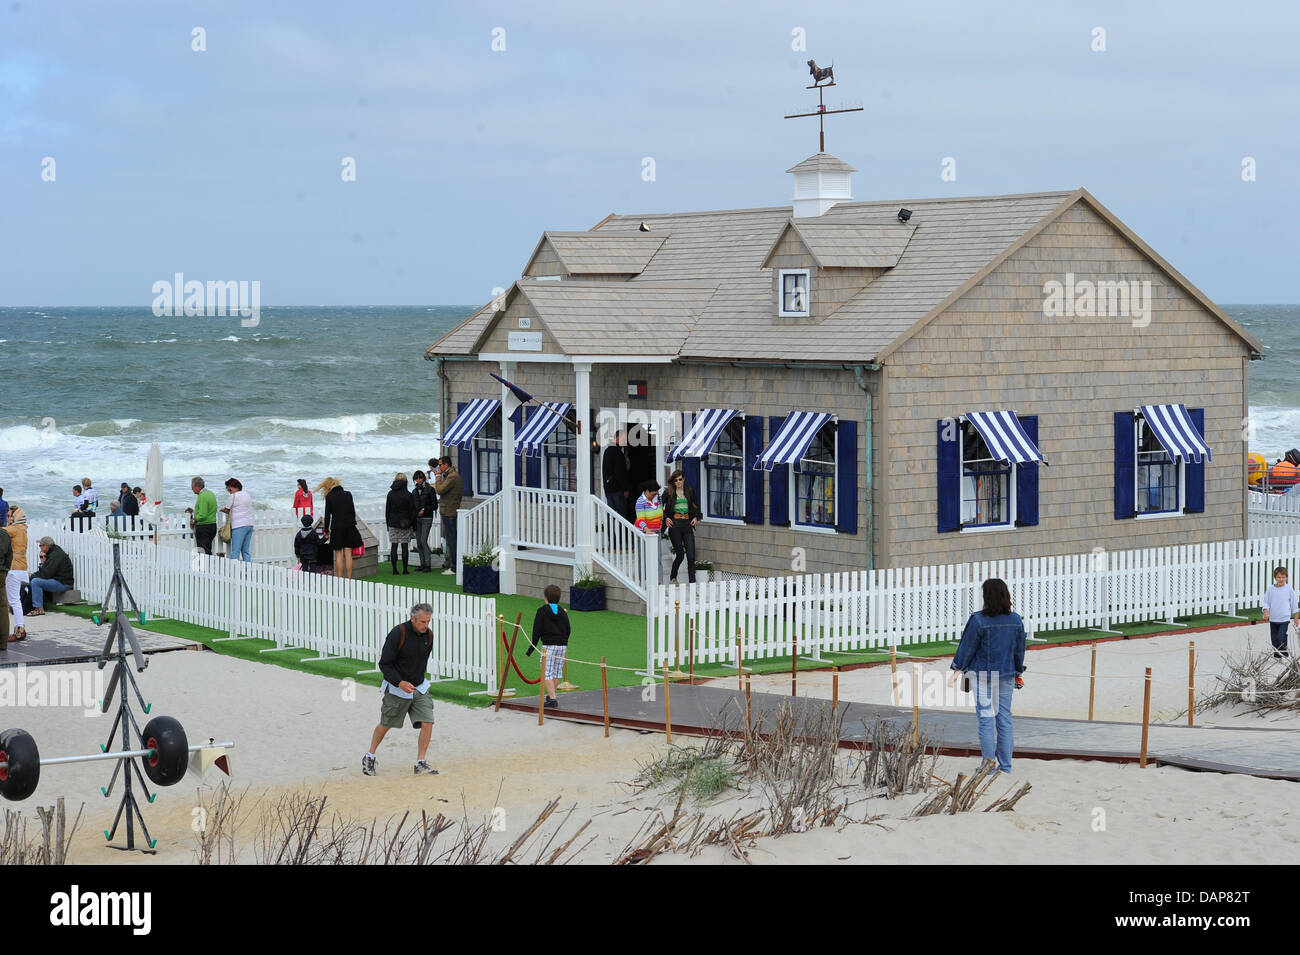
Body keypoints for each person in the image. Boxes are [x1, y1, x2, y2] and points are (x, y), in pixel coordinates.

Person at [948, 578, 1027, 775]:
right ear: (1005, 595)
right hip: (1007, 674)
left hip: (982, 674)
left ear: (986, 596)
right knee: (1004, 719)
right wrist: (1018, 671)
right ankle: (1006, 766)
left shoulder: (978, 620)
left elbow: (967, 647)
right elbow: (1019, 650)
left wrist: (957, 669)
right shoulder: (1016, 620)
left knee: (985, 719)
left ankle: (989, 767)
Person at [363, 602, 439, 777]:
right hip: (398, 688)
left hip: (420, 686)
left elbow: (422, 661)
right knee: (386, 724)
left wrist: (415, 682)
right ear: (412, 619)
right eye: (422, 622)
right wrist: (400, 682)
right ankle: (370, 756)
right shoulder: (398, 634)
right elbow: (384, 664)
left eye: (428, 622)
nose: (426, 626)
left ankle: (420, 762)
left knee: (428, 722)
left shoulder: (429, 635)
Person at [526, 584, 571, 709]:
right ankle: (552, 695)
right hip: (562, 645)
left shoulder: (542, 611)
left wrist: (531, 649)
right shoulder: (562, 611)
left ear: (545, 598)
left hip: (549, 646)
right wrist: (564, 640)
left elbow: (536, 631)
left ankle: (553, 699)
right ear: (559, 598)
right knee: (557, 671)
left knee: (546, 672)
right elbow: (568, 629)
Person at [662, 468, 701, 584]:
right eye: (675, 480)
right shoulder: (668, 492)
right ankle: (673, 577)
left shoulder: (690, 491)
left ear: (683, 479)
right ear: (673, 482)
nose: (678, 482)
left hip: (687, 524)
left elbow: (696, 507)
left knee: (691, 555)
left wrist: (695, 517)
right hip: (675, 525)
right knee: (680, 554)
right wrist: (666, 518)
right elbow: (659, 507)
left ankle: (692, 583)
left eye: (680, 479)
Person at [319, 477, 363, 579]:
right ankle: (349, 579)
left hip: (337, 528)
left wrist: (326, 530)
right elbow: (352, 511)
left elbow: (327, 515)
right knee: (348, 554)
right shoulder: (348, 494)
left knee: (339, 554)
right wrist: (351, 524)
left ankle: (339, 580)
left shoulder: (329, 496)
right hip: (349, 526)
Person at [27, 536, 75, 616]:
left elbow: (46, 574)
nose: (40, 548)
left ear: (46, 546)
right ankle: (36, 606)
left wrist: (33, 575)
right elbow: (46, 572)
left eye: (40, 545)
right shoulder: (54, 553)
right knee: (35, 579)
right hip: (60, 581)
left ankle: (39, 608)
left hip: (63, 584)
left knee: (36, 582)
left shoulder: (55, 555)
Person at [1260, 565, 1298, 659]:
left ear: (1286, 577)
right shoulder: (1270, 589)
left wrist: (1296, 617)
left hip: (1284, 619)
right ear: (1275, 577)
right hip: (1273, 619)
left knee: (1281, 637)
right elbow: (1266, 602)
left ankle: (1284, 655)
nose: (1281, 579)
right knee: (1274, 639)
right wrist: (1265, 611)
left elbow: (1294, 603)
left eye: (1283, 577)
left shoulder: (1289, 589)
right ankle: (1277, 656)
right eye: (1279, 577)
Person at [432, 456, 462, 576]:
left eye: (440, 465)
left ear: (446, 465)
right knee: (451, 539)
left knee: (452, 540)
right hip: (448, 511)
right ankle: (454, 565)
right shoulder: (450, 475)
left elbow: (439, 490)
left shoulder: (452, 476)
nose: (439, 467)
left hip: (450, 511)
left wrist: (438, 476)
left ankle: (455, 567)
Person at [385, 473, 417, 575]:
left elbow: (387, 511)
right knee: (404, 546)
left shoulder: (390, 494)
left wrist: (388, 524)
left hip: (393, 523)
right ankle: (405, 570)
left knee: (394, 546)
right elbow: (412, 511)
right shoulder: (408, 495)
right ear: (405, 482)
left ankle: (394, 570)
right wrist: (413, 525)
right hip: (405, 524)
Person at [4, 507, 28, 641]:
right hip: (22, 567)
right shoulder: (23, 529)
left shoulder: (14, 529)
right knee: (15, 600)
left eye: (9, 516)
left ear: (15, 517)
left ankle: (19, 629)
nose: (7, 519)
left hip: (13, 568)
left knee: (14, 600)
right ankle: (20, 628)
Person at [219, 478, 254, 562]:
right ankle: (248, 571)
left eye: (229, 488)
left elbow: (227, 509)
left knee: (235, 551)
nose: (228, 490)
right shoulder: (247, 494)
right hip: (249, 524)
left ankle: (235, 572)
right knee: (245, 551)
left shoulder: (233, 496)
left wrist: (221, 510)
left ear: (234, 487)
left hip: (239, 526)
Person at [602, 429, 633, 520]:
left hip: (608, 489)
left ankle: (610, 534)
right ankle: (620, 534)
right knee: (621, 517)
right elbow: (620, 473)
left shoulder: (607, 451)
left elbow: (606, 472)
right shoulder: (618, 453)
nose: (626, 441)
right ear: (617, 439)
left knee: (610, 516)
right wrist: (625, 489)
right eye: (624, 439)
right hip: (618, 490)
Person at [411, 469, 438, 573]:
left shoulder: (430, 489)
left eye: (420, 477)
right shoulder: (414, 491)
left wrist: (424, 509)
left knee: (423, 540)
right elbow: (412, 506)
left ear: (424, 478)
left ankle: (428, 564)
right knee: (418, 542)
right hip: (417, 519)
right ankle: (422, 564)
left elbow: (435, 505)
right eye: (416, 478)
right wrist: (415, 513)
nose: (418, 480)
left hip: (427, 518)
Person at [191, 476, 218, 555]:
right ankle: (209, 566)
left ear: (197, 486)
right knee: (207, 548)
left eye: (192, 487)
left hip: (204, 527)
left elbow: (203, 514)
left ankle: (206, 566)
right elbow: (211, 509)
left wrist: (194, 519)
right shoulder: (211, 494)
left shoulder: (202, 496)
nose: (192, 489)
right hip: (212, 525)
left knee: (203, 551)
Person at [0, 522, 9, 646]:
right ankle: (3, 642)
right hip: (2, 572)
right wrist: (5, 570)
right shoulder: (5, 534)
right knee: (2, 607)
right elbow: (10, 555)